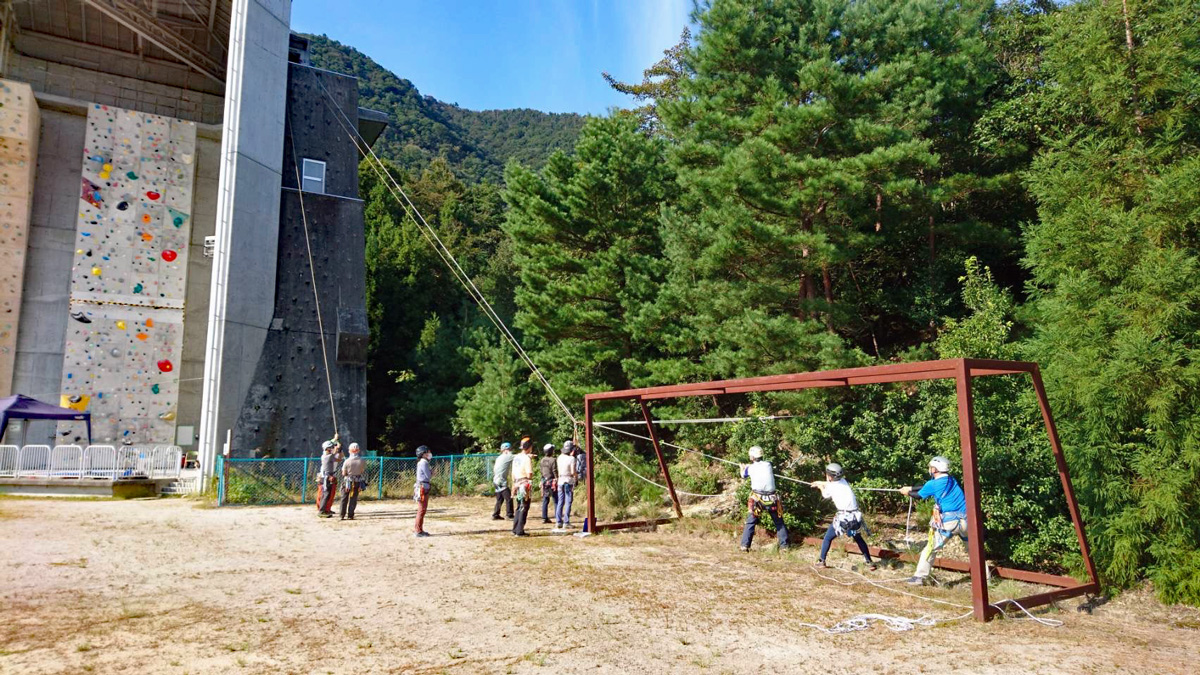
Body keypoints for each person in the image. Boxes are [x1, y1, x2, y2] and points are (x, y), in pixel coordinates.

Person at [899, 456, 968, 585]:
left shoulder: (933, 484)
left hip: (949, 523)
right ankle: (986, 578)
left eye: (931, 467)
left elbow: (919, 495)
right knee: (974, 551)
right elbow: (925, 487)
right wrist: (911, 488)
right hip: (965, 521)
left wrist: (906, 492)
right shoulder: (951, 479)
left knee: (930, 549)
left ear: (935, 469)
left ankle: (919, 577)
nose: (929, 469)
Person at [810, 463, 876, 570]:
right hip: (854, 520)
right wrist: (820, 482)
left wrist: (820, 487)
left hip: (843, 521)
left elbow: (825, 495)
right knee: (857, 537)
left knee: (827, 538)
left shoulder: (831, 487)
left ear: (829, 476)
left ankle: (822, 561)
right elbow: (831, 483)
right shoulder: (844, 481)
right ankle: (869, 562)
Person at [739, 445, 789, 551]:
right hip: (772, 499)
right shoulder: (768, 464)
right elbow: (763, 465)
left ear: (752, 457)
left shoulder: (750, 468)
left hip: (758, 499)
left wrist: (742, 468)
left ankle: (745, 545)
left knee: (751, 522)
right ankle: (784, 546)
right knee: (779, 522)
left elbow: (743, 475)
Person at [510, 437, 534, 536]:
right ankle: (520, 530)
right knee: (524, 507)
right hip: (524, 484)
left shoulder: (516, 457)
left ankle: (515, 529)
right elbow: (529, 474)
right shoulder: (527, 459)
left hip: (516, 483)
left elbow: (512, 473)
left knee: (519, 506)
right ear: (529, 447)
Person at [339, 443, 367, 521]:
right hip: (357, 481)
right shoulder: (362, 461)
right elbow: (361, 471)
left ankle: (342, 515)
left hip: (347, 482)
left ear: (350, 451)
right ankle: (350, 515)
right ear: (358, 450)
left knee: (344, 498)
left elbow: (344, 473)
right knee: (353, 499)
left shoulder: (347, 461)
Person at [316, 436, 341, 518]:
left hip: (326, 476)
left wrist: (335, 439)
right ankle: (322, 511)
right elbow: (338, 458)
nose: (332, 448)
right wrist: (338, 448)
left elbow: (334, 454)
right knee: (326, 494)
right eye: (331, 448)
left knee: (326, 494)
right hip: (327, 477)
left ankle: (323, 510)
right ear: (327, 449)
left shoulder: (325, 455)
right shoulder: (329, 456)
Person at [555, 441, 577, 529]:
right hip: (568, 481)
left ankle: (558, 521)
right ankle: (566, 522)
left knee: (560, 501)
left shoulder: (559, 457)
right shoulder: (572, 459)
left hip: (560, 480)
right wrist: (576, 476)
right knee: (568, 501)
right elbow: (572, 472)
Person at [413, 445, 433, 538]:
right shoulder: (423, 462)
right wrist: (432, 472)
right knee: (422, 509)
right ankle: (418, 531)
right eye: (427, 452)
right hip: (423, 487)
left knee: (422, 509)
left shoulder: (422, 462)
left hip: (423, 486)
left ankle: (419, 529)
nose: (429, 454)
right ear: (423, 454)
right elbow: (428, 475)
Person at [492, 442, 515, 520]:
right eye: (509, 449)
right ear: (505, 450)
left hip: (496, 480)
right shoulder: (507, 456)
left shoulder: (499, 457)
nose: (510, 451)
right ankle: (509, 514)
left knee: (500, 499)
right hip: (501, 481)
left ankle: (495, 514)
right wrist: (528, 455)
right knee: (509, 497)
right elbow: (518, 457)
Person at [539, 443, 558, 524]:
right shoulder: (553, 460)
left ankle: (544, 517)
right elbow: (554, 470)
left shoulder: (542, 460)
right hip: (552, 482)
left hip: (544, 481)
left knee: (545, 500)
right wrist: (557, 478)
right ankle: (558, 517)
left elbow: (541, 471)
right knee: (556, 499)